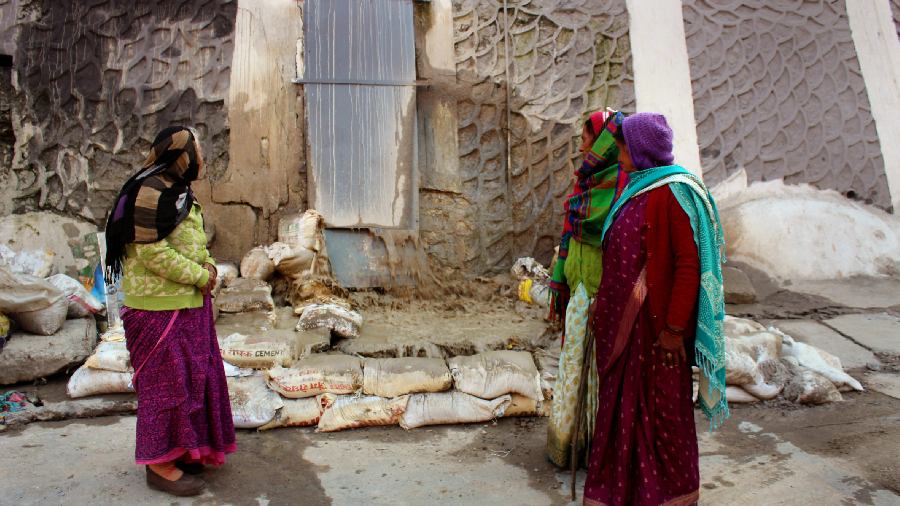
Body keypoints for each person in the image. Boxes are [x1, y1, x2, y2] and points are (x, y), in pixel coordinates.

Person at [582, 113, 728, 506]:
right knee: (619, 412)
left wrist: (674, 330)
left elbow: (688, 265)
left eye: (624, 147)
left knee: (660, 416)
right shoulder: (635, 189)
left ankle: (669, 496)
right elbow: (620, 259)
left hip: (655, 332)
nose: (619, 154)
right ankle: (621, 492)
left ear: (642, 149)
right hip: (621, 328)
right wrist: (602, 303)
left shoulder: (674, 193)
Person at [105, 126, 236, 497]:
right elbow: (151, 252)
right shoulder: (149, 192)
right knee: (166, 388)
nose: (202, 158)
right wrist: (200, 276)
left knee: (194, 381)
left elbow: (196, 242)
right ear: (181, 156)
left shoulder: (180, 193)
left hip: (189, 304)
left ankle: (184, 450)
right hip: (157, 309)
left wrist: (209, 265)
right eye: (197, 150)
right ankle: (159, 466)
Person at [547, 110, 627, 468]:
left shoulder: (623, 187)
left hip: (605, 294)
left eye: (586, 140)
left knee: (601, 371)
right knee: (574, 365)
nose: (581, 148)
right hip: (579, 290)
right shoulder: (585, 184)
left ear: (604, 144)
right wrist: (560, 281)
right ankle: (572, 443)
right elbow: (569, 235)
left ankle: (601, 450)